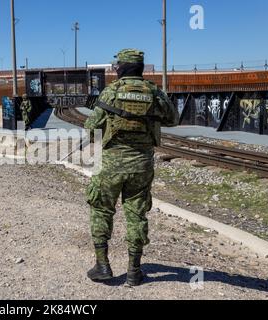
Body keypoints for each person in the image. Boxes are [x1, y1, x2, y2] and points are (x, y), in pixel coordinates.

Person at [85, 49, 179, 286]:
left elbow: (91, 125)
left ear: (123, 68)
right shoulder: (154, 92)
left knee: (102, 209)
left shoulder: (111, 91)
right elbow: (172, 119)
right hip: (142, 164)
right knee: (137, 214)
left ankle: (103, 265)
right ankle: (134, 271)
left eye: (117, 66)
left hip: (111, 164)